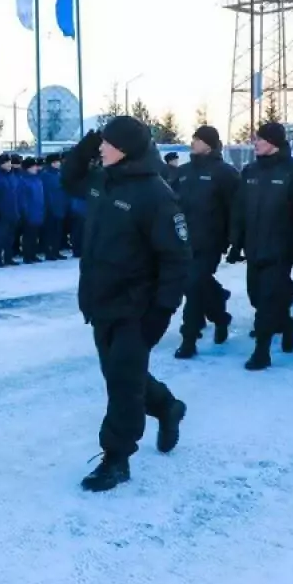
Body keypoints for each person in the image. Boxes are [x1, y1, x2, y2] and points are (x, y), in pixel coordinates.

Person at [61, 119, 189, 492]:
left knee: (121, 383)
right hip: (101, 300)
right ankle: (166, 406)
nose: (102, 148)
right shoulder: (104, 181)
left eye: (107, 143)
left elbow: (177, 259)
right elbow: (68, 180)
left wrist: (160, 313)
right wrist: (87, 144)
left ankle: (116, 458)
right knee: (121, 377)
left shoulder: (156, 194)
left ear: (127, 148)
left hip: (137, 307)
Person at [229, 122, 293, 370]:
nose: (255, 143)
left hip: (280, 247)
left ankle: (261, 352)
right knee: (256, 296)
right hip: (254, 246)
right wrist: (236, 242)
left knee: (266, 300)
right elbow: (239, 209)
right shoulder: (250, 171)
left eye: (260, 139)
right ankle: (286, 324)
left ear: (274, 142)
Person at [170, 125, 239, 359]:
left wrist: (233, 240)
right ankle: (220, 313)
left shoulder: (225, 173)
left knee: (193, 285)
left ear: (208, 144)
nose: (193, 142)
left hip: (210, 242)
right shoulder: (183, 172)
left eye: (197, 139)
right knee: (196, 285)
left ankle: (189, 338)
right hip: (183, 242)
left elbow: (235, 209)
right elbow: (171, 205)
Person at [0, 153, 20, 267]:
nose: (9, 165)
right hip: (2, 210)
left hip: (13, 209)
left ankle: (8, 257)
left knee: (10, 236)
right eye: (6, 162)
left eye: (10, 162)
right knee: (2, 235)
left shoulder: (11, 175)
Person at [41, 152, 70, 261]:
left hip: (60, 206)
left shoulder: (58, 174)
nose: (59, 163)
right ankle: (49, 252)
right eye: (57, 162)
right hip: (51, 208)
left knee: (58, 231)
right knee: (50, 232)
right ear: (52, 163)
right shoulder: (46, 175)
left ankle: (56, 251)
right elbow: (47, 193)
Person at [16, 157, 45, 264]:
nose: (36, 168)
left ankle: (33, 254)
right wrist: (25, 212)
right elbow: (23, 199)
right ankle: (27, 255)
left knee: (35, 235)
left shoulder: (37, 179)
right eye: (33, 166)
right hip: (29, 212)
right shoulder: (23, 180)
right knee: (28, 235)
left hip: (38, 211)